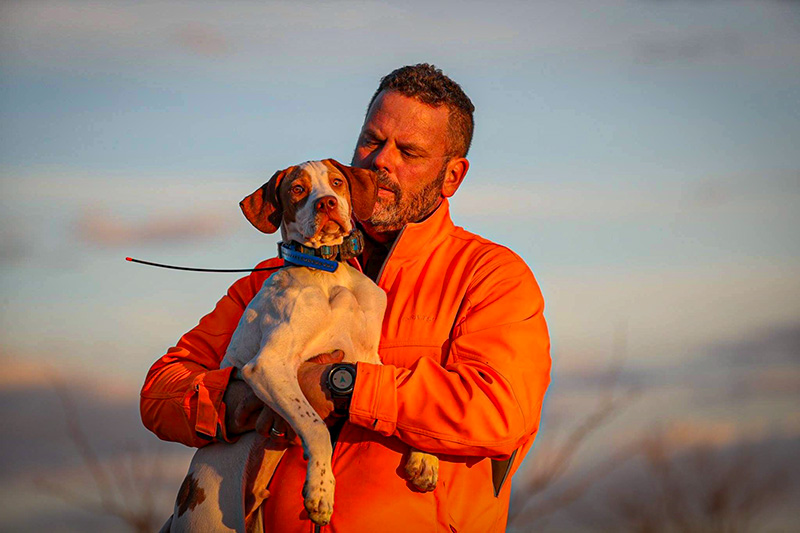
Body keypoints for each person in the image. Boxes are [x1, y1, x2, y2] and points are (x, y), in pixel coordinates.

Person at [141, 63, 551, 533]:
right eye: (372, 141)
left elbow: (501, 412)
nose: (382, 162)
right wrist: (236, 403)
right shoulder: (272, 282)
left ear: (452, 176)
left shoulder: (489, 275)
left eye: (409, 152)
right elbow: (160, 390)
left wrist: (343, 385)